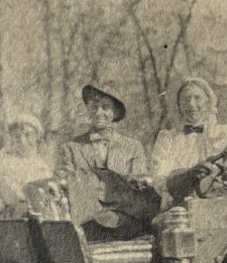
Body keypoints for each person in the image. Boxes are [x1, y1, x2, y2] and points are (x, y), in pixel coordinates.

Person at [56, 82, 156, 239]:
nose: (99, 112)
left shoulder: (133, 147)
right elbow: (63, 187)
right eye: (94, 107)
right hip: (85, 224)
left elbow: (139, 186)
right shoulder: (70, 148)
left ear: (115, 112)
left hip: (126, 224)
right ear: (88, 110)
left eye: (105, 107)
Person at [151, 77, 227, 206]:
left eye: (197, 98)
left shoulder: (225, 132)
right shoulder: (167, 138)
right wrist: (188, 176)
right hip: (178, 207)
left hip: (221, 204)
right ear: (178, 105)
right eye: (186, 99)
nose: (191, 104)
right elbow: (160, 179)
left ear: (208, 101)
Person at [0, 114, 54, 218]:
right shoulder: (5, 161)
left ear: (36, 137)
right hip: (10, 215)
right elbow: (10, 196)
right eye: (17, 136)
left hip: (36, 212)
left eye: (28, 135)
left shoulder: (41, 164)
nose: (23, 141)